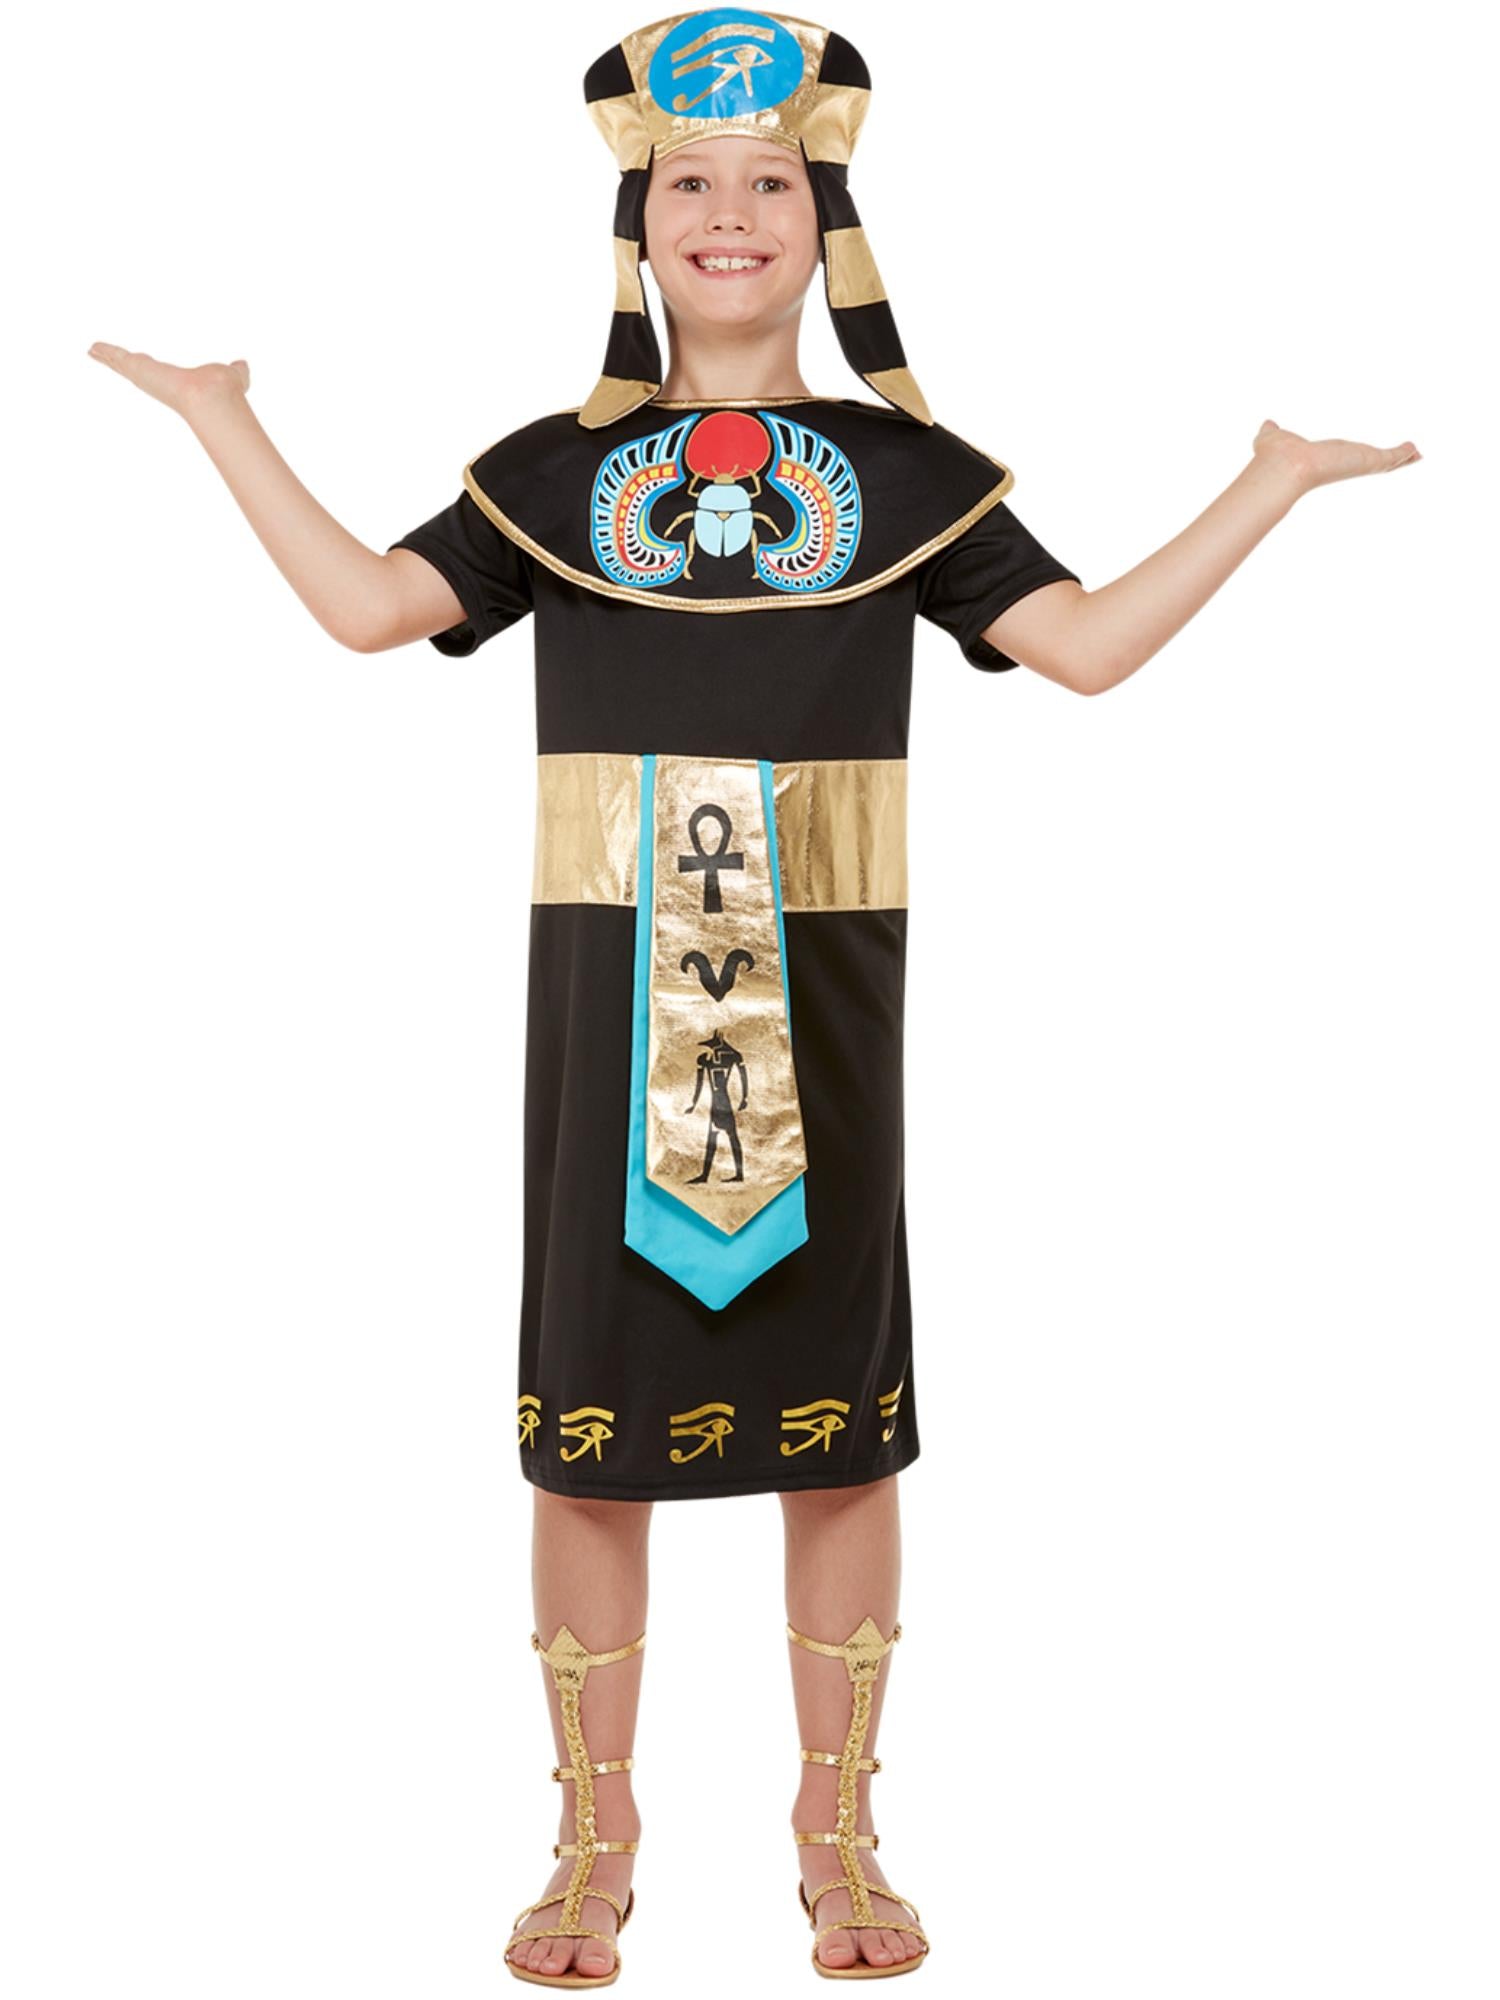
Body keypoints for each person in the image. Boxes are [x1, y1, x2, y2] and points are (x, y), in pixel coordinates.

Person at [87, 8, 1420, 1986]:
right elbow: (371, 608)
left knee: (843, 1437)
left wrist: (1270, 484)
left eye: (772, 181)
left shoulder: (906, 476)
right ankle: (593, 1838)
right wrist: (219, 420)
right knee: (588, 1437)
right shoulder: (558, 474)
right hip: (608, 1005)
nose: (730, 212)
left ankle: (838, 1831)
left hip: (829, 1004)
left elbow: (1084, 648)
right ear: (638, 221)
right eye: (692, 180)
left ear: (829, 223)